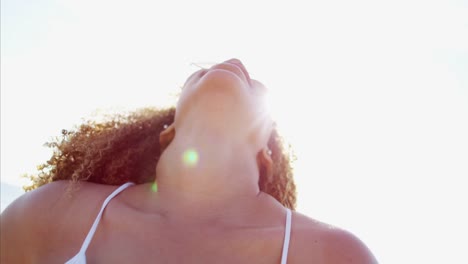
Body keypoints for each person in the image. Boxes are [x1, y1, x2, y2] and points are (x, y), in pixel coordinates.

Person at [0, 59, 377, 263]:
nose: (233, 63)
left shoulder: (332, 256)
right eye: (200, 71)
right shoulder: (51, 213)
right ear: (169, 130)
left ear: (267, 154)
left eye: (254, 84)